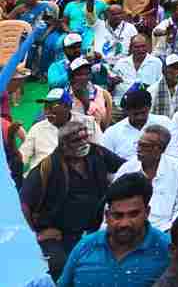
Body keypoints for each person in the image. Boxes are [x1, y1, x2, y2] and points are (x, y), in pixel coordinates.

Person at [20, 119, 125, 278]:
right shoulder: (48, 167)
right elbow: (24, 204)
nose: (84, 143)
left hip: (95, 229)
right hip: (59, 234)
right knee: (60, 266)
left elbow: (126, 168)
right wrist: (36, 234)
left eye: (85, 138)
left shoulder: (97, 153)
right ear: (63, 145)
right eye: (77, 140)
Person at [57, 173, 171, 287]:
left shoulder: (167, 250)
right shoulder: (85, 247)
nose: (125, 223)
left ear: (147, 213)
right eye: (118, 215)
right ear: (107, 216)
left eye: (133, 214)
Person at [115, 124, 178, 233]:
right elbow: (112, 204)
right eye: (138, 144)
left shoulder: (177, 167)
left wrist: (171, 229)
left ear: (159, 149)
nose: (138, 149)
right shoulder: (127, 168)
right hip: (129, 229)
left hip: (165, 230)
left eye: (144, 146)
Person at [103, 88, 177, 161]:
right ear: (126, 111)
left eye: (143, 113)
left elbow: (172, 153)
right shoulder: (112, 133)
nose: (140, 117)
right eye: (135, 114)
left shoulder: (164, 123)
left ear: (149, 108)